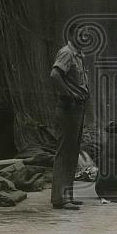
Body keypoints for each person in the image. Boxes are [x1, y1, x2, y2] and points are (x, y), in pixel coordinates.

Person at [49, 27, 89, 210]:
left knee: (72, 154)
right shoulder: (67, 53)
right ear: (72, 36)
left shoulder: (78, 55)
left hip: (77, 108)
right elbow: (55, 75)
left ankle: (67, 196)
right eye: (81, 34)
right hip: (68, 107)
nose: (84, 37)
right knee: (64, 153)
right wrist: (70, 94)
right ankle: (60, 199)